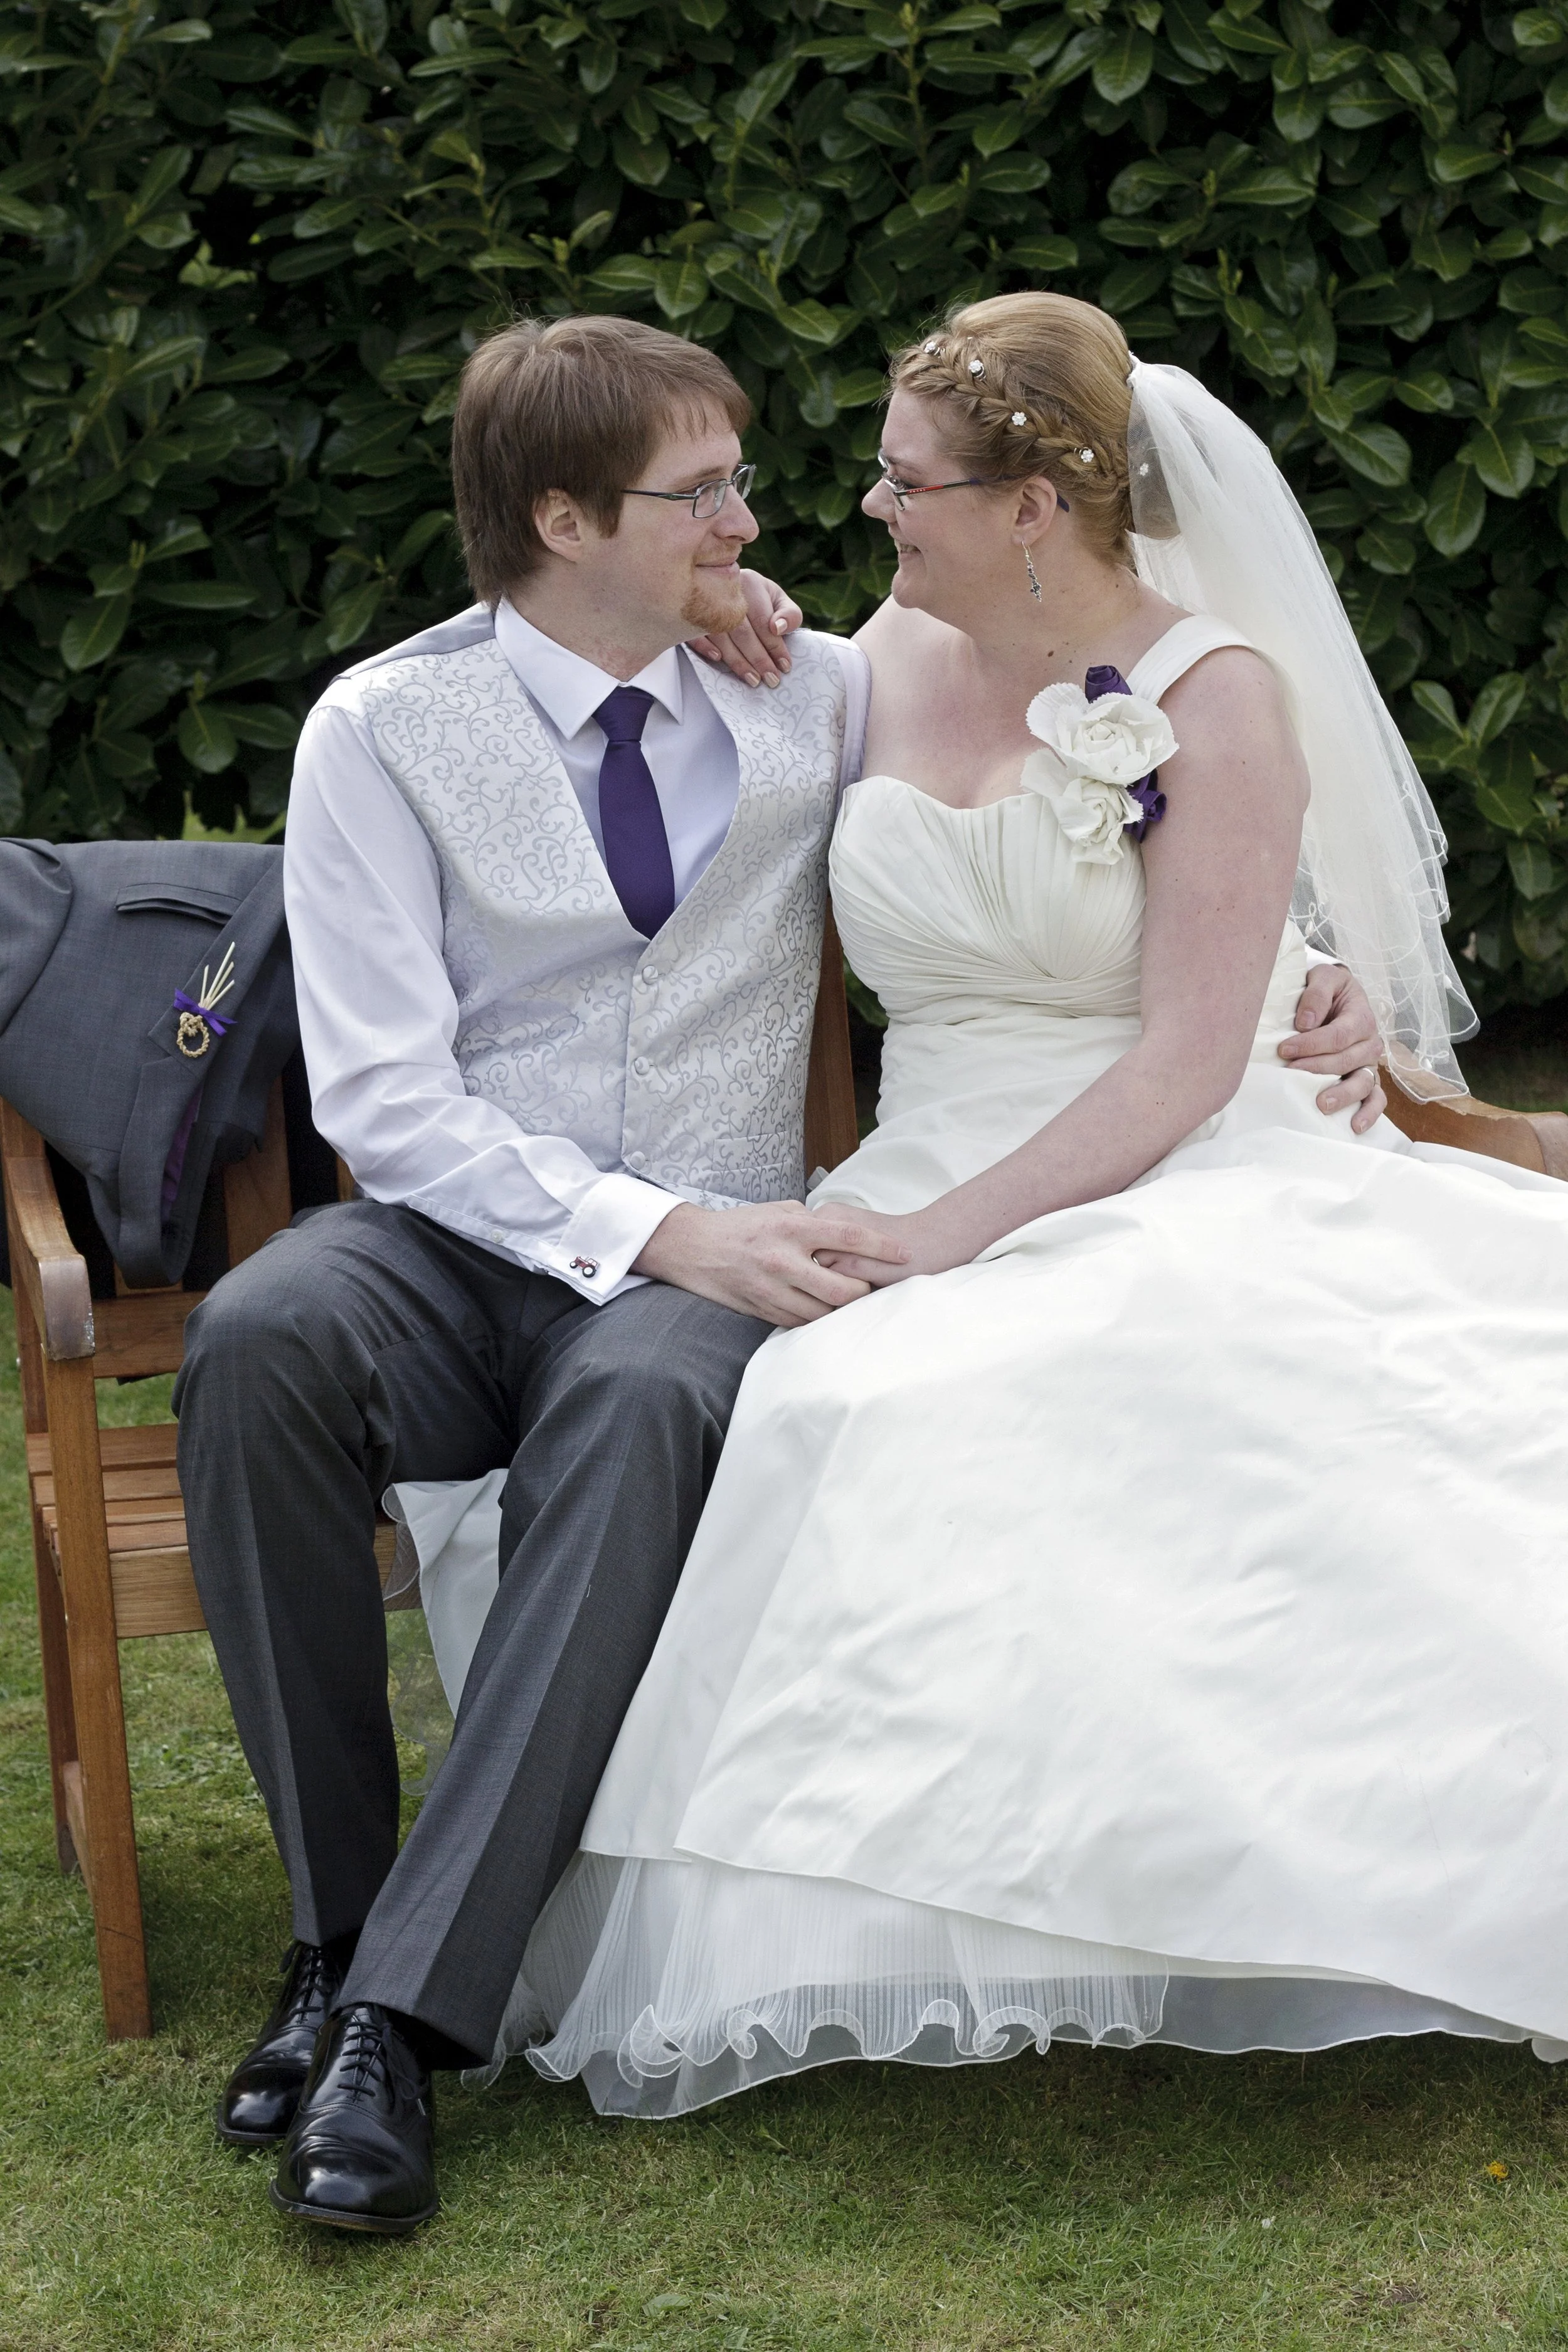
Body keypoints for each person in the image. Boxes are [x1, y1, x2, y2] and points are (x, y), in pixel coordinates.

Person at [174, 310, 1384, 2231]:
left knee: (652, 1402)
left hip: (715, 1259)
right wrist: (649, 1224)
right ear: (564, 517)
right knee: (256, 1345)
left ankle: (394, 2027)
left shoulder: (808, 684)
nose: (756, 516)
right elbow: (387, 1102)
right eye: (704, 491)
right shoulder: (376, 728)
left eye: (747, 483)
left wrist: (1308, 960)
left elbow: (1088, 739)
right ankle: (331, 1939)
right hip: (466, 1237)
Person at [433, 292, 1568, 2121]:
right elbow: (660, 643)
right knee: (824, 1409)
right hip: (926, 1145)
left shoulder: (1212, 696)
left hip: (1180, 1152)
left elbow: (1186, 1060)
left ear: (1033, 499)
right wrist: (712, 599)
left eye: (907, 482)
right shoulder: (864, 653)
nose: (868, 510)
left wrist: (944, 1240)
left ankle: (1237, 1869)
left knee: (1106, 1380)